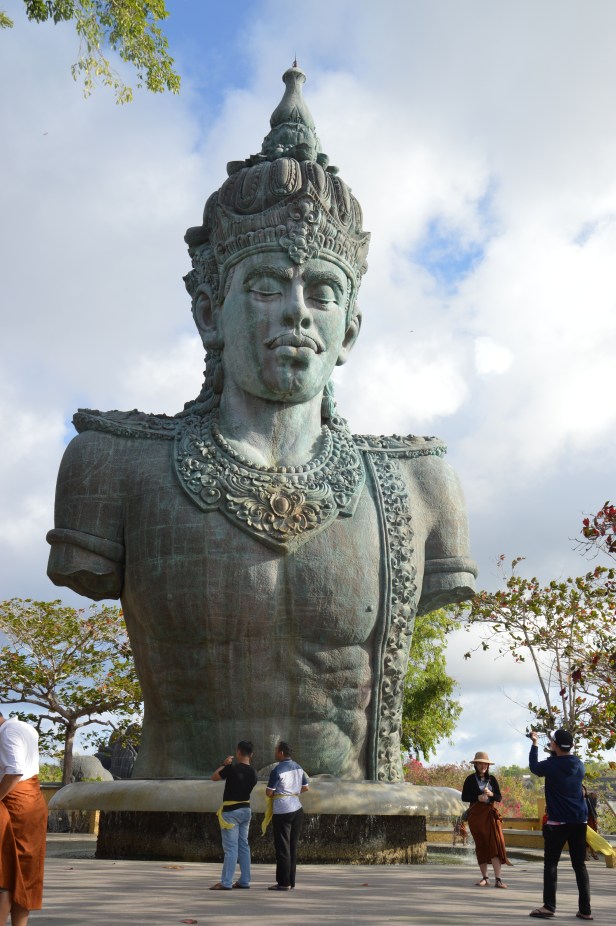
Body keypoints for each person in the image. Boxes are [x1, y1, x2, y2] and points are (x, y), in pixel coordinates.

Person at [46, 65, 478, 783]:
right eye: (267, 285)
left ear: (350, 329)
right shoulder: (112, 466)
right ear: (210, 312)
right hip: (171, 836)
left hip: (355, 832)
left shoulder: (418, 483)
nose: (296, 311)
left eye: (322, 291)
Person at [528, 729, 592, 920]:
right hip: (580, 820)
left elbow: (534, 767)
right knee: (579, 865)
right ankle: (585, 910)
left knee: (551, 863)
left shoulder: (552, 765)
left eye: (552, 742)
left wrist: (535, 743)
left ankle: (549, 906)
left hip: (558, 822)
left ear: (555, 745)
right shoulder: (580, 765)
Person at [0, 713, 48, 926]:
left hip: (15, 804)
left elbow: (15, 771)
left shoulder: (8, 732)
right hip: (32, 801)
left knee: (4, 872)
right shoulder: (25, 728)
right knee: (26, 871)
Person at [209, 740, 258, 891]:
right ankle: (244, 880)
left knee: (231, 848)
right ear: (251, 754)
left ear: (238, 752)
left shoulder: (232, 768)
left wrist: (224, 764)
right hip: (246, 810)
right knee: (244, 846)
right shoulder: (254, 773)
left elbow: (214, 777)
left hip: (231, 812)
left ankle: (226, 882)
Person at [461, 750, 511, 888]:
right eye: (481, 764)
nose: (483, 766)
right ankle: (485, 878)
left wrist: (491, 794)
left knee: (494, 844)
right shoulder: (470, 779)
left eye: (486, 764)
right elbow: (464, 797)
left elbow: (499, 798)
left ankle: (498, 879)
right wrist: (477, 797)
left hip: (489, 815)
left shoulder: (492, 779)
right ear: (476, 764)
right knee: (481, 846)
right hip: (476, 816)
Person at [265, 742, 309, 891]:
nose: (275, 753)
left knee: (282, 847)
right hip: (297, 809)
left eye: (276, 751)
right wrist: (292, 792)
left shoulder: (277, 770)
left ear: (282, 753)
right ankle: (291, 881)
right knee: (292, 847)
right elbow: (306, 787)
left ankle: (283, 883)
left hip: (282, 811)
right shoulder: (299, 767)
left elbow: (269, 792)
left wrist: (283, 793)